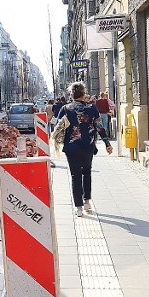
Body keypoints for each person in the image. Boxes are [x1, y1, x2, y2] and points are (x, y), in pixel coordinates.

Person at [57, 82, 113, 217]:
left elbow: (58, 127)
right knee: (86, 172)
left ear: (71, 95)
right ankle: (87, 201)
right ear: (84, 93)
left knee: (75, 175)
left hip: (71, 147)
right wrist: (107, 143)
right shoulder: (92, 108)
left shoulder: (65, 108)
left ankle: (79, 208)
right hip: (88, 146)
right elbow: (99, 127)